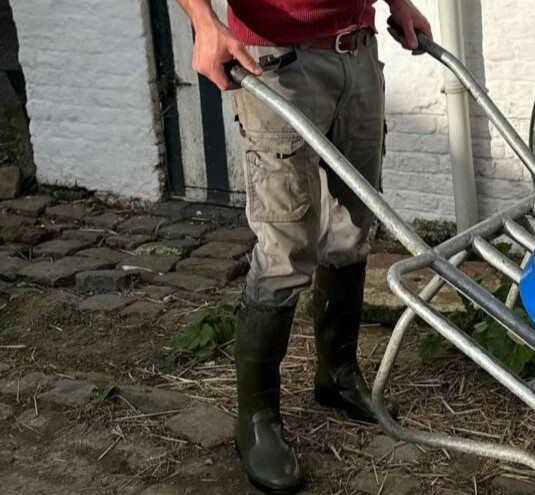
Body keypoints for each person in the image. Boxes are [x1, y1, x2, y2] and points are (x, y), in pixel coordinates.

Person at [172, 0, 431, 492]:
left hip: (356, 52)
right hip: (275, 60)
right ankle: (257, 421)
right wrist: (205, 25)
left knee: (355, 225)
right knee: (285, 247)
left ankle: (337, 373)